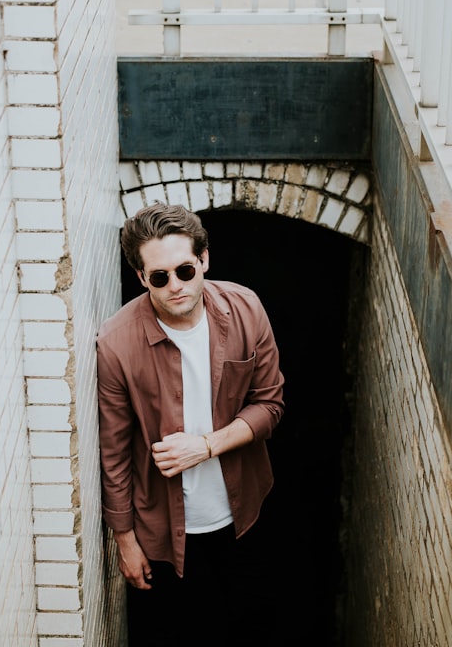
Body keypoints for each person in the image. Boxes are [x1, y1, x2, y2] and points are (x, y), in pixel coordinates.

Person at [96, 203, 285, 646]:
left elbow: (270, 403)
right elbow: (114, 452)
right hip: (164, 536)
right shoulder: (117, 344)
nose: (176, 286)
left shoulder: (246, 309)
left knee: (252, 624)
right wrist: (124, 540)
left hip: (246, 512)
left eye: (185, 270)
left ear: (204, 260)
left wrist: (206, 446)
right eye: (159, 277)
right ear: (142, 279)